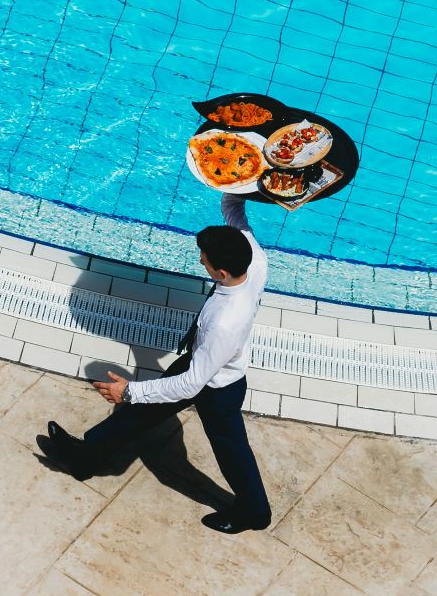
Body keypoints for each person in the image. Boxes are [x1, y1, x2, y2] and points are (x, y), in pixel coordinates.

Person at [39, 192, 272, 534]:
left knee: (230, 449)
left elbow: (192, 383)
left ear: (221, 272)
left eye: (204, 261)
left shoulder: (224, 322)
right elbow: (234, 212)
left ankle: (254, 512)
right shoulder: (255, 260)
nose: (201, 263)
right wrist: (238, 188)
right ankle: (84, 458)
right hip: (202, 363)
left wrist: (129, 390)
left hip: (216, 386)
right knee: (137, 416)